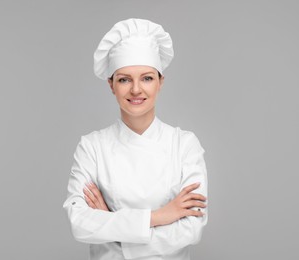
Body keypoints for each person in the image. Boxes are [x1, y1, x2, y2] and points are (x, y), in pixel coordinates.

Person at [63, 18, 208, 260]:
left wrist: (112, 227)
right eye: (124, 79)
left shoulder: (184, 145)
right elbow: (79, 223)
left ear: (161, 82)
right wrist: (159, 216)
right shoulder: (92, 147)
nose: (136, 90)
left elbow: (190, 230)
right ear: (111, 85)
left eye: (147, 78)